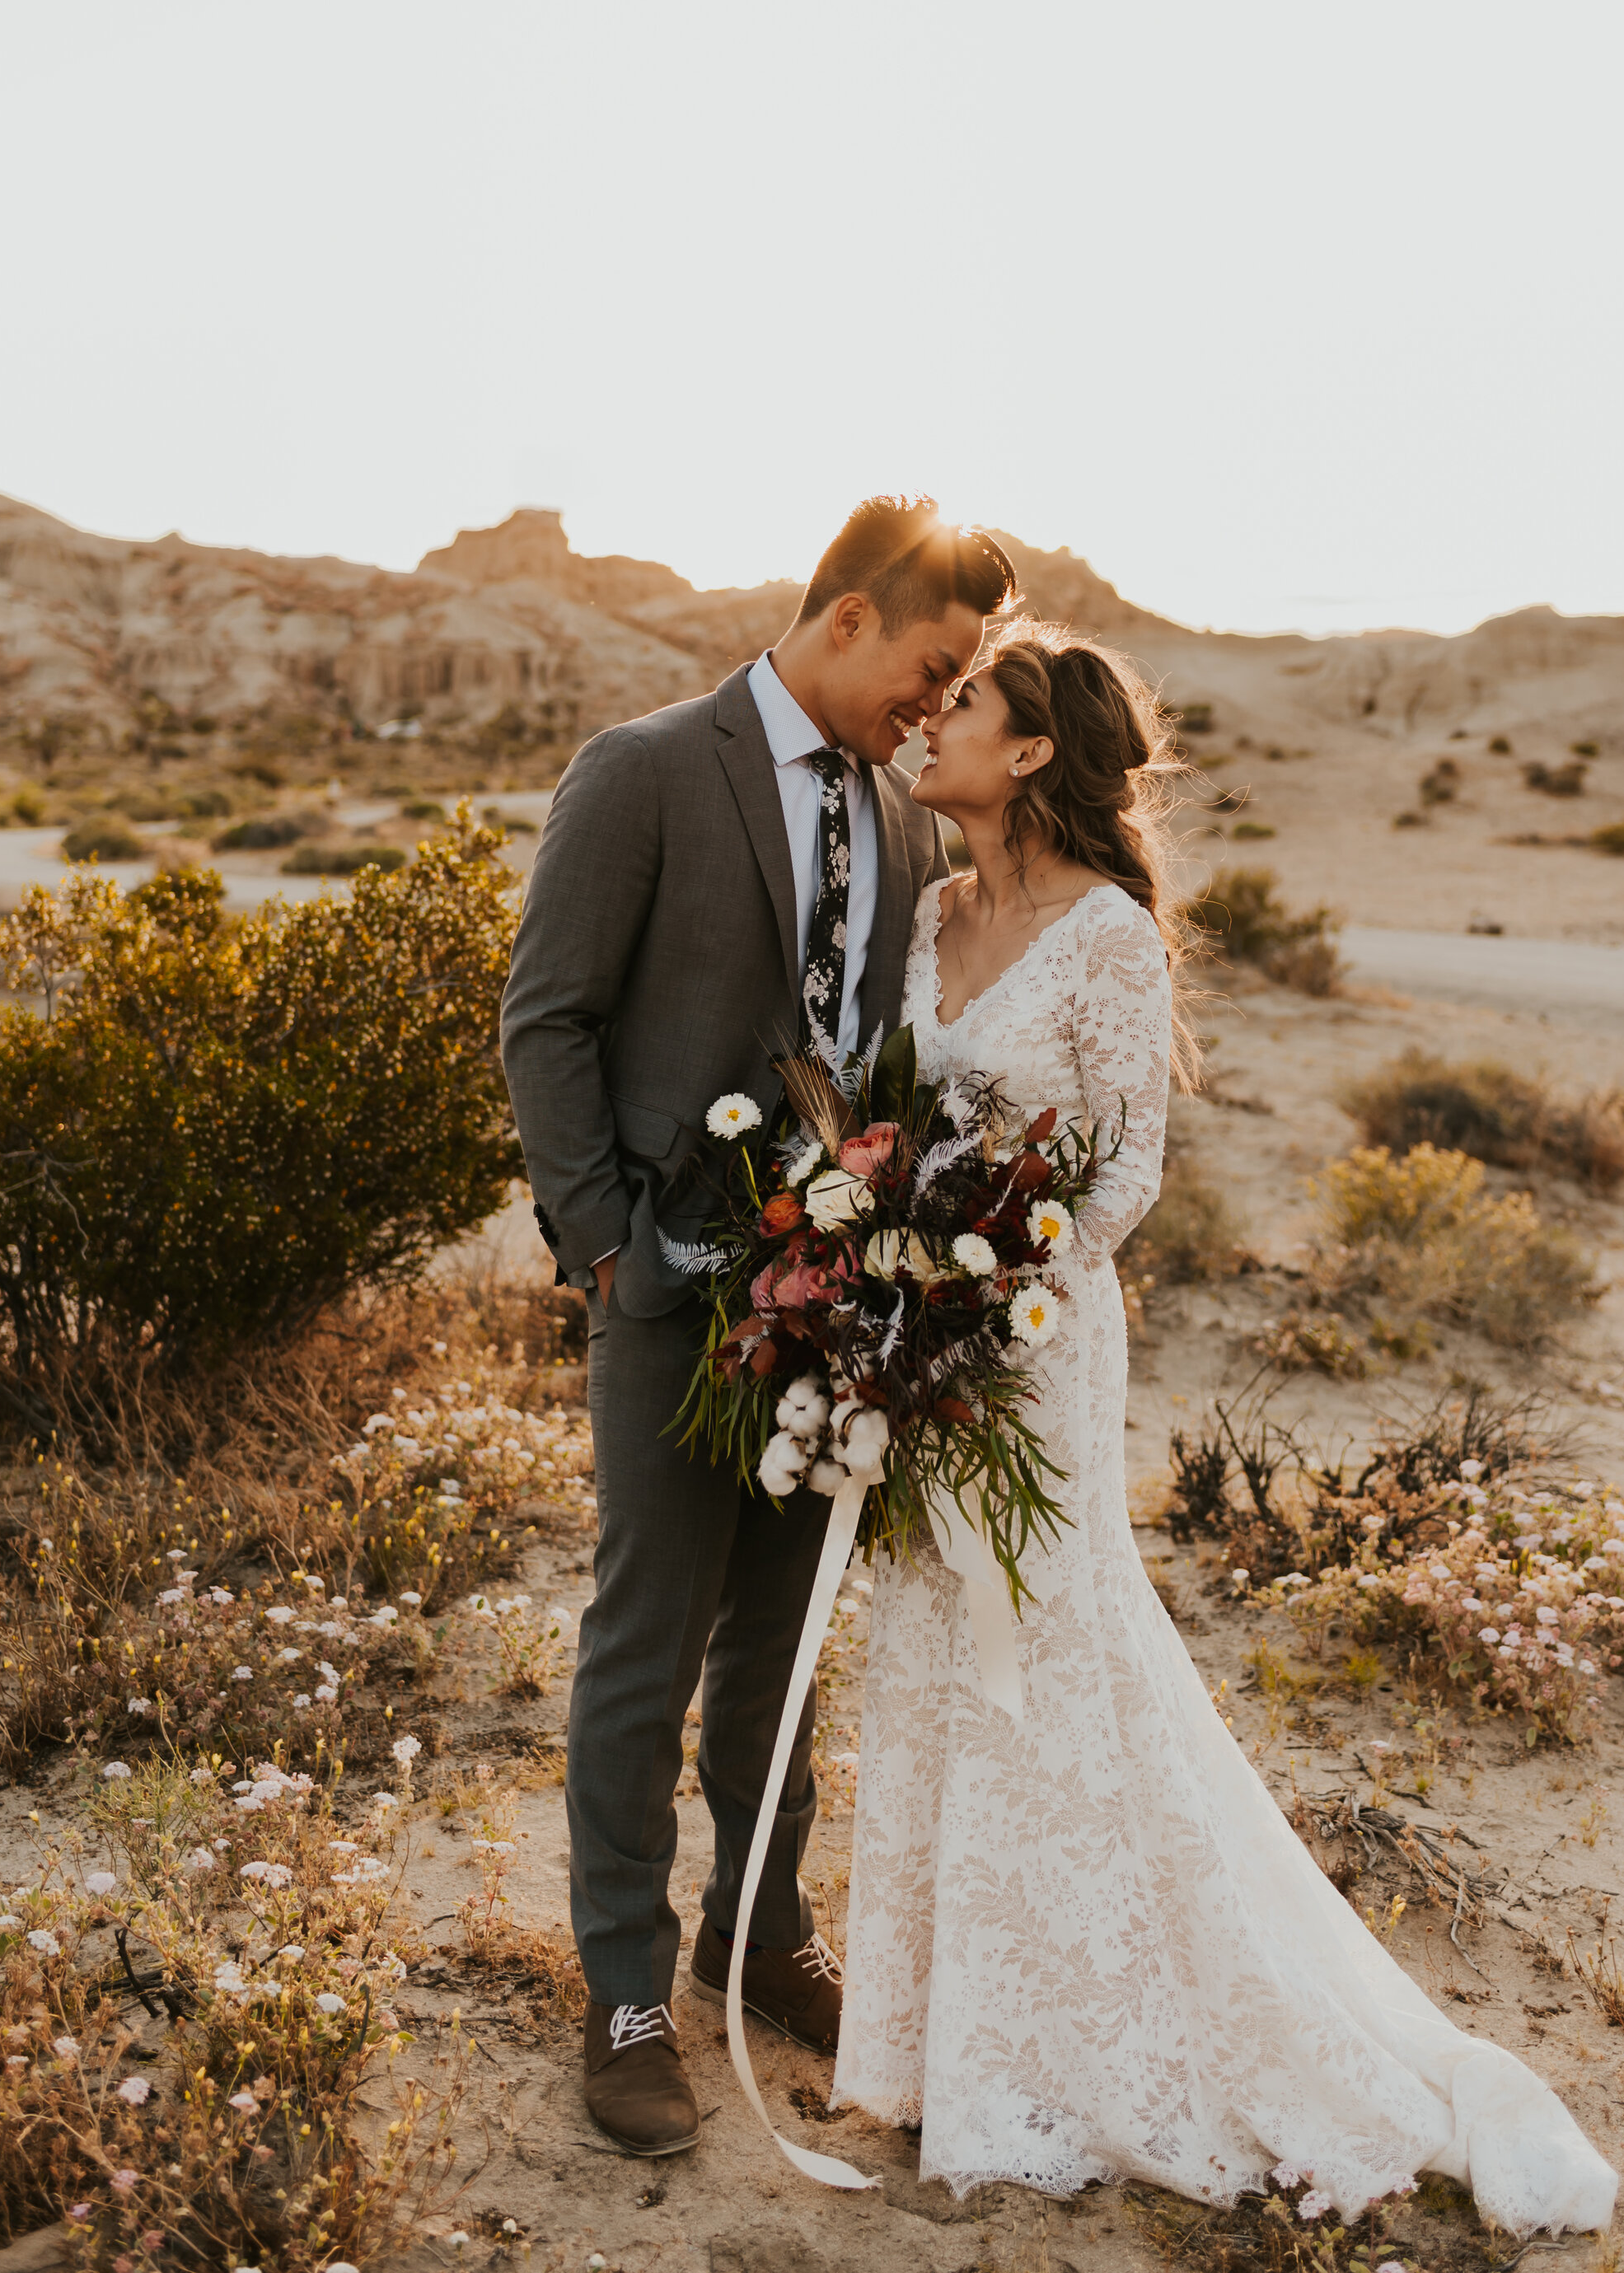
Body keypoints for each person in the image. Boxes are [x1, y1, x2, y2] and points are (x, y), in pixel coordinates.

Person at [832, 623, 1618, 2242]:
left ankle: (1066, 2049)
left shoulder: (1109, 935)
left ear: (1031, 750)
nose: (932, 720)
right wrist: (882, 1249)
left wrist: (992, 1277)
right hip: (922, 1340)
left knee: (1040, 1662)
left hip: (1034, 1347)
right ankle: (935, 2042)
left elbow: (1124, 1174)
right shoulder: (929, 909)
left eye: (962, 701)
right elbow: (907, 1118)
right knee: (931, 1654)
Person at [500, 496, 1017, 2157]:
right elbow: (549, 1014)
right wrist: (601, 1248)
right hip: (665, 1286)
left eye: (960, 692)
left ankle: (759, 1921)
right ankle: (630, 1992)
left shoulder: (898, 813)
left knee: (782, 1645)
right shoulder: (644, 767)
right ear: (849, 617)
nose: (934, 712)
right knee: (646, 1640)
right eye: (930, 670)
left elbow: (874, 1047)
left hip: (835, 1304)